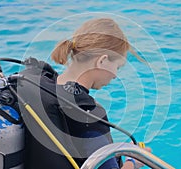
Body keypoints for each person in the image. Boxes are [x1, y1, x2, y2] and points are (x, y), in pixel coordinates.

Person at [24, 18, 149, 169]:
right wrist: (134, 161)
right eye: (118, 66)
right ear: (102, 61)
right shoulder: (86, 114)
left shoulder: (39, 86)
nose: (115, 75)